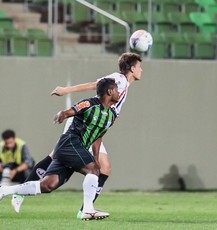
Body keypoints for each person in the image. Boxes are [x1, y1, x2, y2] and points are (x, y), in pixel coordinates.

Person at [10, 52, 143, 216]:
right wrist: (66, 90)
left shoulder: (124, 87)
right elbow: (95, 85)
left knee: (104, 168)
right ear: (131, 68)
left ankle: (86, 208)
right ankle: (20, 192)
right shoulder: (119, 79)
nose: (141, 70)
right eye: (139, 66)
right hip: (84, 123)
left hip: (95, 125)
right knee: (56, 156)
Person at [0, 78, 119, 221]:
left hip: (76, 149)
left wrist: (96, 158)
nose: (119, 92)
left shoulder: (111, 116)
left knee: (48, 185)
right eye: (117, 89)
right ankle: (87, 210)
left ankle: (4, 190)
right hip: (70, 143)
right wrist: (61, 115)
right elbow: (69, 111)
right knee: (93, 170)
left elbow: (98, 138)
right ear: (110, 91)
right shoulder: (89, 104)